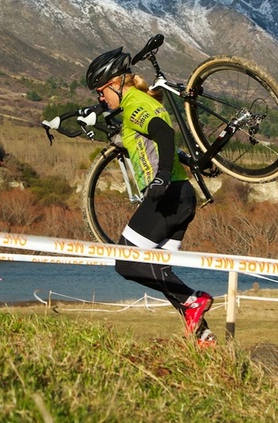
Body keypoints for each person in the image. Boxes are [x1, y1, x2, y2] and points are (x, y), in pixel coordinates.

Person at [86, 46, 216, 345]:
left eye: (101, 92)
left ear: (115, 83)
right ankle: (204, 336)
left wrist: (162, 176)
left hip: (168, 194)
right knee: (160, 273)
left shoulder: (134, 103)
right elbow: (132, 135)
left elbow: (165, 134)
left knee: (126, 262)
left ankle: (194, 302)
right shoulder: (136, 103)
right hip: (182, 197)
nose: (100, 98)